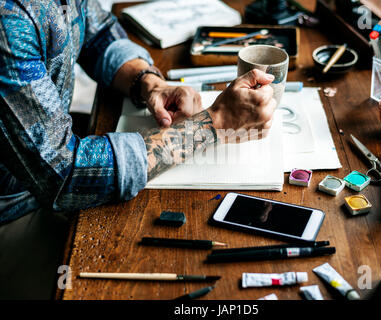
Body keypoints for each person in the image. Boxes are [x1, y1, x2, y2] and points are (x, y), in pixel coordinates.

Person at [0, 0, 276, 298]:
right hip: (14, 210)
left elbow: (98, 33)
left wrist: (148, 82)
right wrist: (213, 124)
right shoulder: (7, 21)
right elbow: (64, 173)